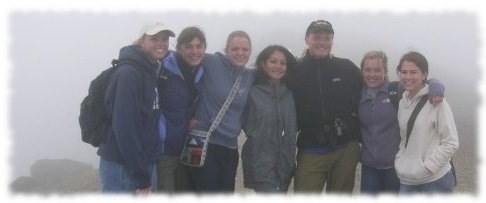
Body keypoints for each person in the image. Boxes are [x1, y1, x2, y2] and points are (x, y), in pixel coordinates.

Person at [98, 22, 175, 194]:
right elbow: (125, 128)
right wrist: (141, 176)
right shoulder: (129, 74)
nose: (161, 43)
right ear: (141, 41)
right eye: (154, 38)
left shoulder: (150, 69)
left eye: (164, 39)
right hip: (123, 167)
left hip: (141, 163)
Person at [288, 20, 362, 193]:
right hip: (311, 147)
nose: (322, 42)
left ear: (332, 40)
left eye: (327, 38)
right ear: (307, 39)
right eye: (317, 37)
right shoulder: (295, 69)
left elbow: (375, 86)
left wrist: (432, 84)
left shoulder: (346, 67)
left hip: (346, 147)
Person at [358, 51, 444, 194]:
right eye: (368, 70)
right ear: (362, 71)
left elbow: (425, 82)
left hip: (395, 168)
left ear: (385, 71)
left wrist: (436, 88)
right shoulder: (358, 94)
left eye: (377, 70)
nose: (372, 74)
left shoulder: (396, 90)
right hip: (369, 168)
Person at [190, 30, 254, 193]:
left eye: (245, 49)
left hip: (230, 147)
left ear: (250, 52)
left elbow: (277, 71)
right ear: (226, 50)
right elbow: (182, 59)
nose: (240, 53)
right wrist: (186, 115)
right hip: (202, 141)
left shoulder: (250, 76)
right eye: (235, 49)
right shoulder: (211, 62)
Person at [394, 51, 459, 194]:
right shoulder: (402, 102)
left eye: (413, 72)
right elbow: (404, 138)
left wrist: (429, 167)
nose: (408, 77)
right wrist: (400, 159)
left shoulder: (437, 101)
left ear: (424, 74)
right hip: (407, 179)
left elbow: (451, 142)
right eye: (404, 72)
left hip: (435, 181)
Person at [241, 45, 298, 193]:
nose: (278, 66)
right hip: (261, 164)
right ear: (263, 64)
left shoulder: (292, 92)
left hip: (285, 164)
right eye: (273, 61)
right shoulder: (251, 90)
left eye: (283, 63)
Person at [156, 26, 206, 193]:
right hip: (164, 150)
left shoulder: (200, 72)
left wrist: (194, 117)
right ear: (178, 49)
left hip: (188, 149)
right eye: (188, 46)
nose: (194, 51)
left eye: (199, 46)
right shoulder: (163, 69)